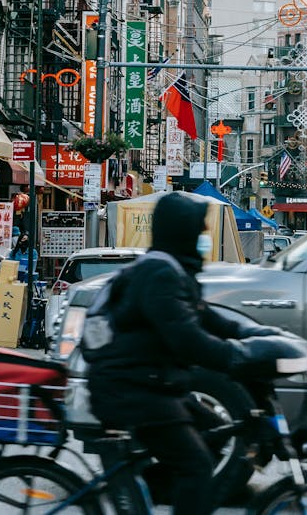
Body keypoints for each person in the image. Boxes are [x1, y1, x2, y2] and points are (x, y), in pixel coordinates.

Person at [86, 192, 258, 515]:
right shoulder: (159, 274)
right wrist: (238, 357)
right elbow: (187, 338)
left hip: (152, 383)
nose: (202, 238)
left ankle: (144, 490)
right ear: (182, 232)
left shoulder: (173, 270)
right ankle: (136, 491)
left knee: (213, 432)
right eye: (198, 230)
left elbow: (207, 318)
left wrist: (255, 334)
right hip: (129, 388)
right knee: (195, 466)